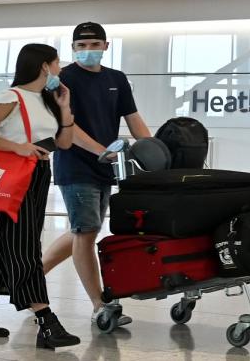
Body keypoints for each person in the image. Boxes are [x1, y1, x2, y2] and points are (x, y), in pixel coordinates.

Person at [0, 43, 80, 349]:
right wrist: (19, 147)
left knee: (12, 247)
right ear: (44, 66)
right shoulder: (10, 97)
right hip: (12, 176)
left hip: (39, 174)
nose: (60, 69)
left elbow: (64, 143)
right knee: (24, 250)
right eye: (57, 63)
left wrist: (65, 108)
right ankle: (46, 321)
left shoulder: (47, 99)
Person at [42, 21, 151, 329]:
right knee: (86, 232)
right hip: (75, 165)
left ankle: (29, 279)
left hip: (107, 166)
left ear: (106, 46)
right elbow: (67, 126)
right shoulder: (63, 80)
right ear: (72, 48)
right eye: (81, 46)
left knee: (83, 229)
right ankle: (99, 304)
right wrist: (102, 151)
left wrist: (153, 150)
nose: (87, 50)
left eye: (93, 45)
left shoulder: (117, 78)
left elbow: (133, 118)